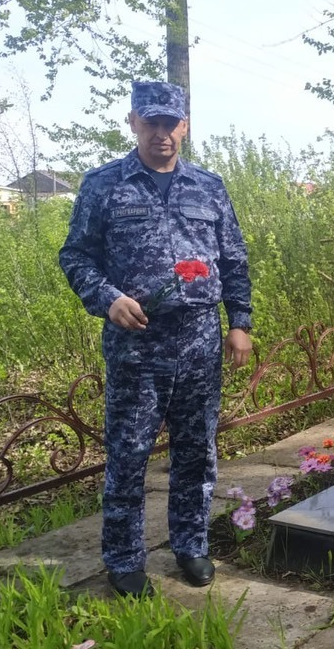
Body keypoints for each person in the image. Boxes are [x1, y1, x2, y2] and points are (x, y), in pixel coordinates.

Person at [60, 81, 253, 598]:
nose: (162, 134)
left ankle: (190, 544)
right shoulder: (103, 185)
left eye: (172, 124)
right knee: (129, 452)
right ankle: (124, 559)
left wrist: (240, 322)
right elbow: (75, 255)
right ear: (133, 123)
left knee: (196, 450)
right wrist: (107, 298)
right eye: (152, 123)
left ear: (184, 127)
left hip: (199, 338)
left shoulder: (208, 186)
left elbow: (233, 258)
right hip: (137, 341)